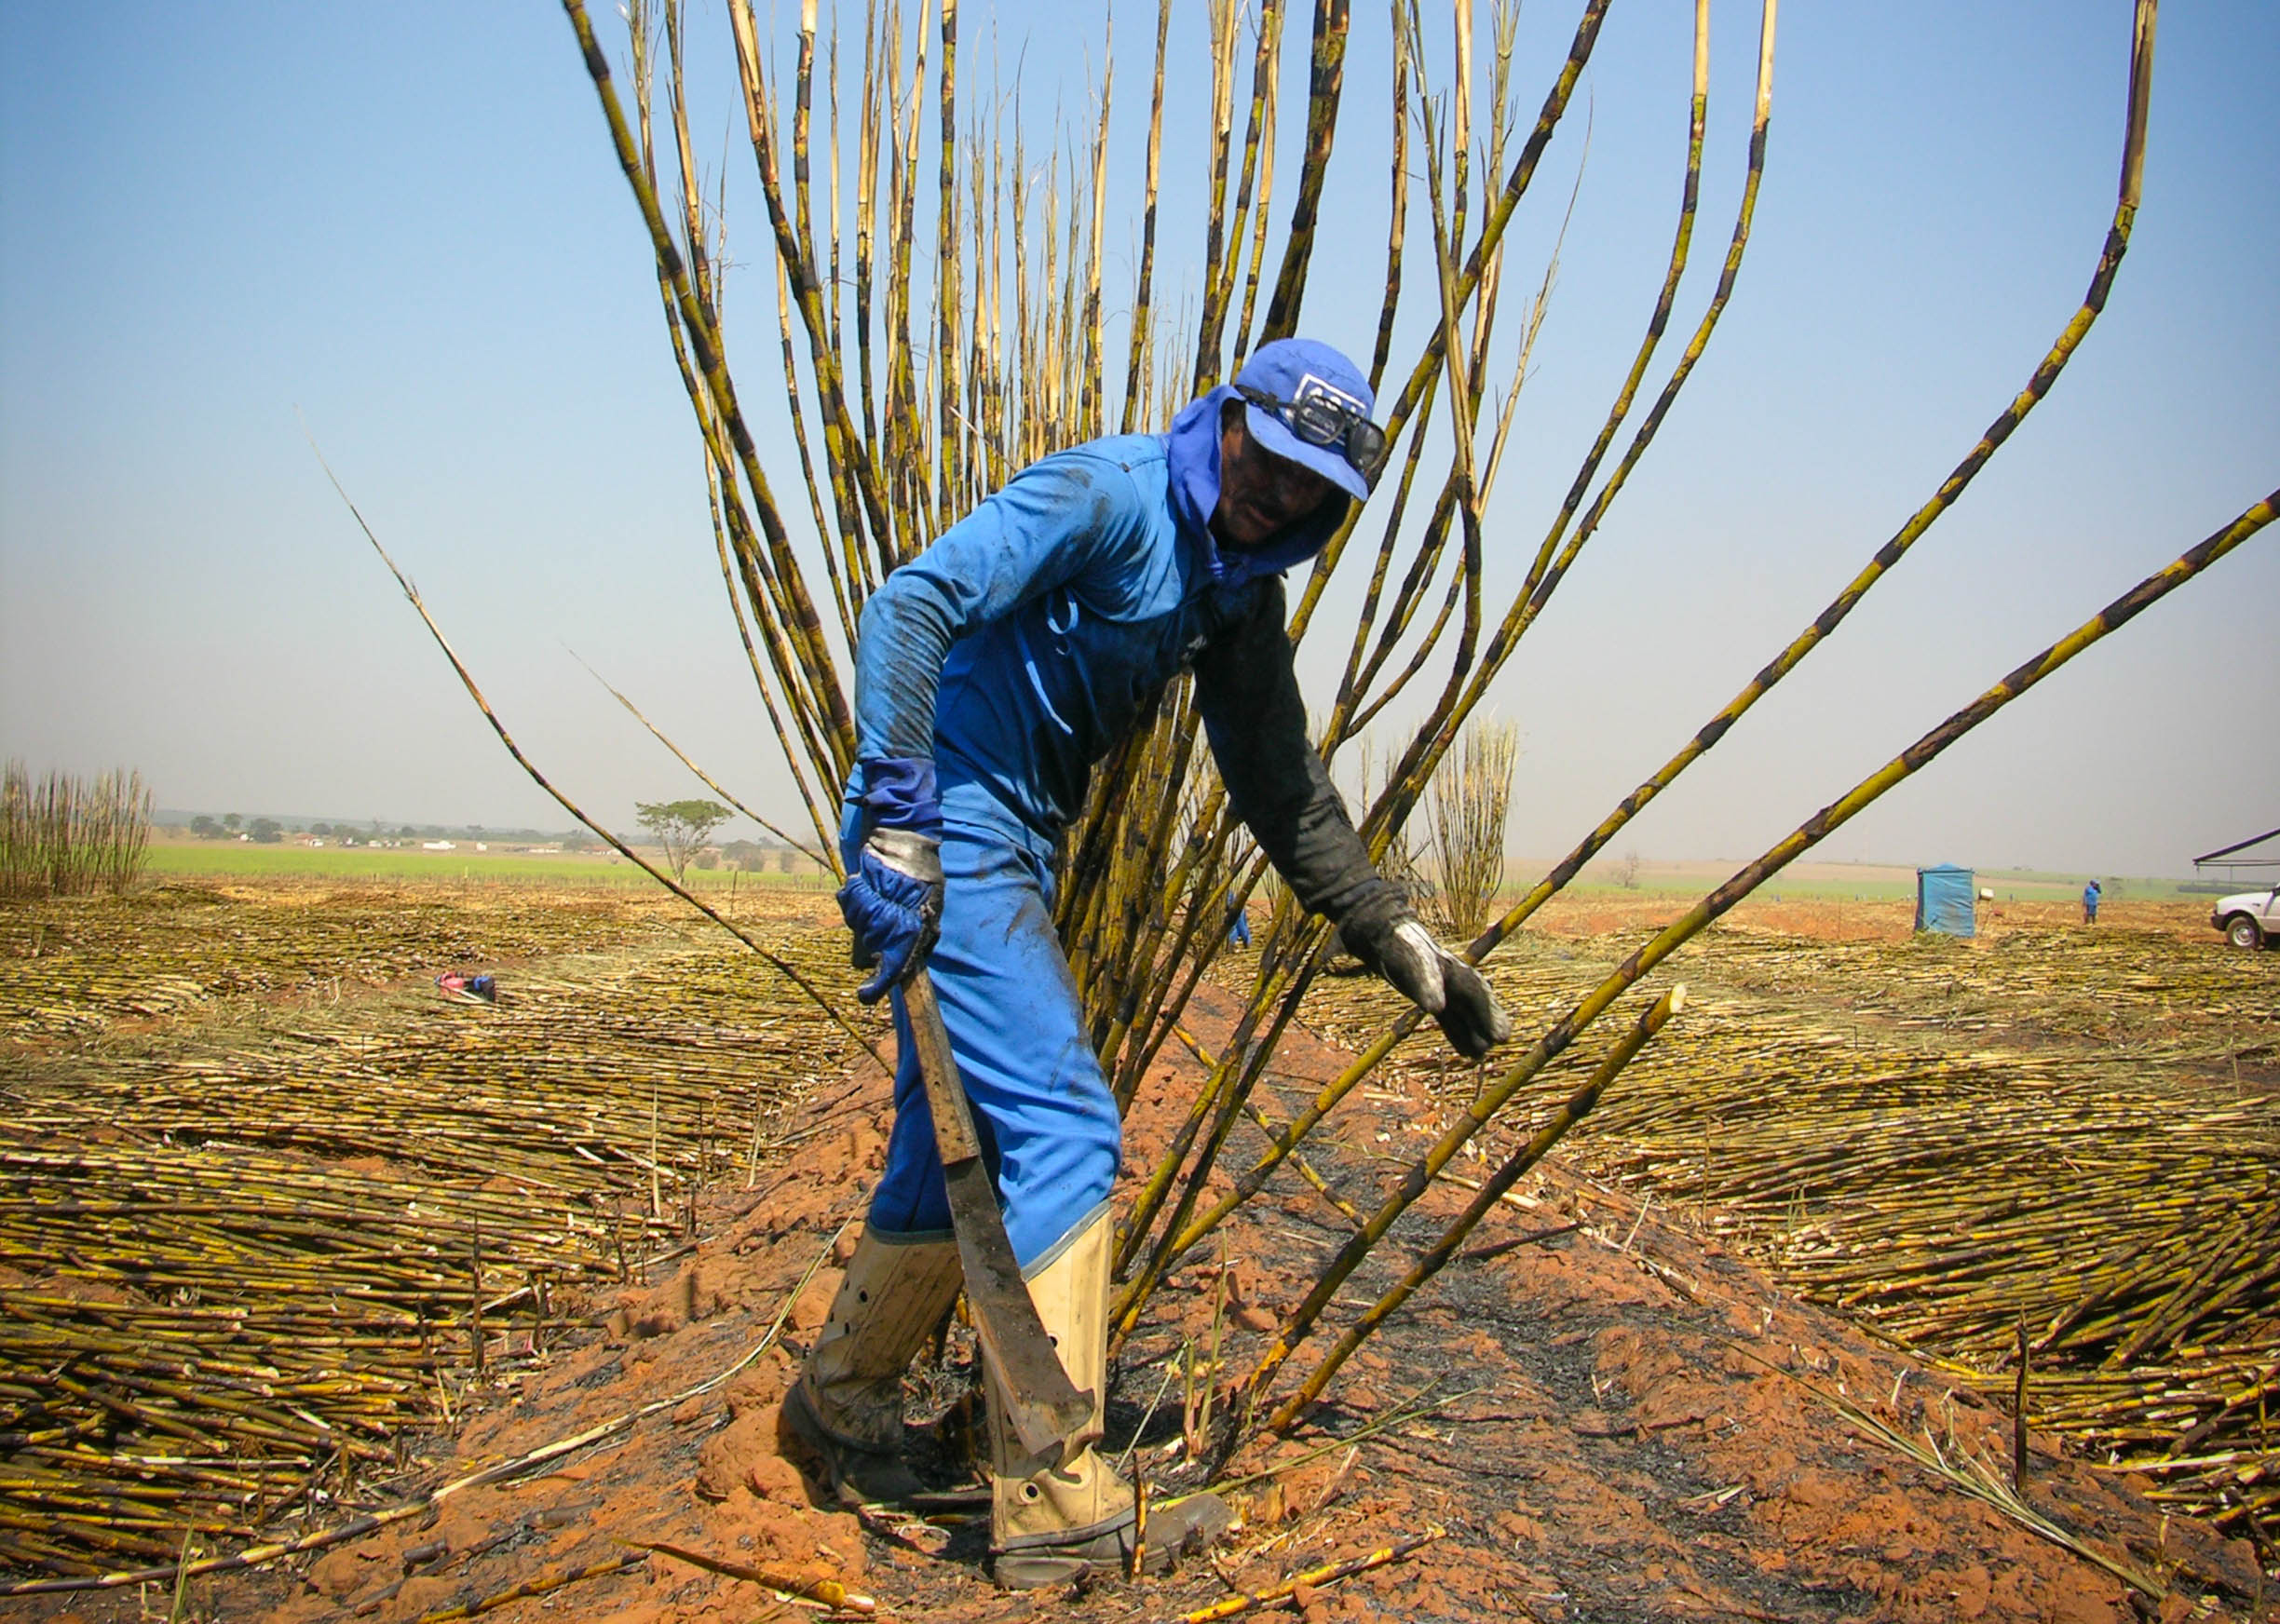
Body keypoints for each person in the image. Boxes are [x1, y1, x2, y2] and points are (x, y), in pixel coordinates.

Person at [781, 339, 1512, 1588]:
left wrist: (1391, 933)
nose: (1275, 497)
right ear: (1226, 421)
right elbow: (910, 605)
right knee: (1066, 1122)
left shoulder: (1234, 599)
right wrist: (900, 814)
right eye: (1265, 462)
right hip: (945, 815)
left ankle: (837, 1409)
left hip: (1016, 840)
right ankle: (1057, 1492)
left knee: (935, 1135)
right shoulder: (1109, 497)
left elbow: (1283, 791)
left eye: (1308, 492)